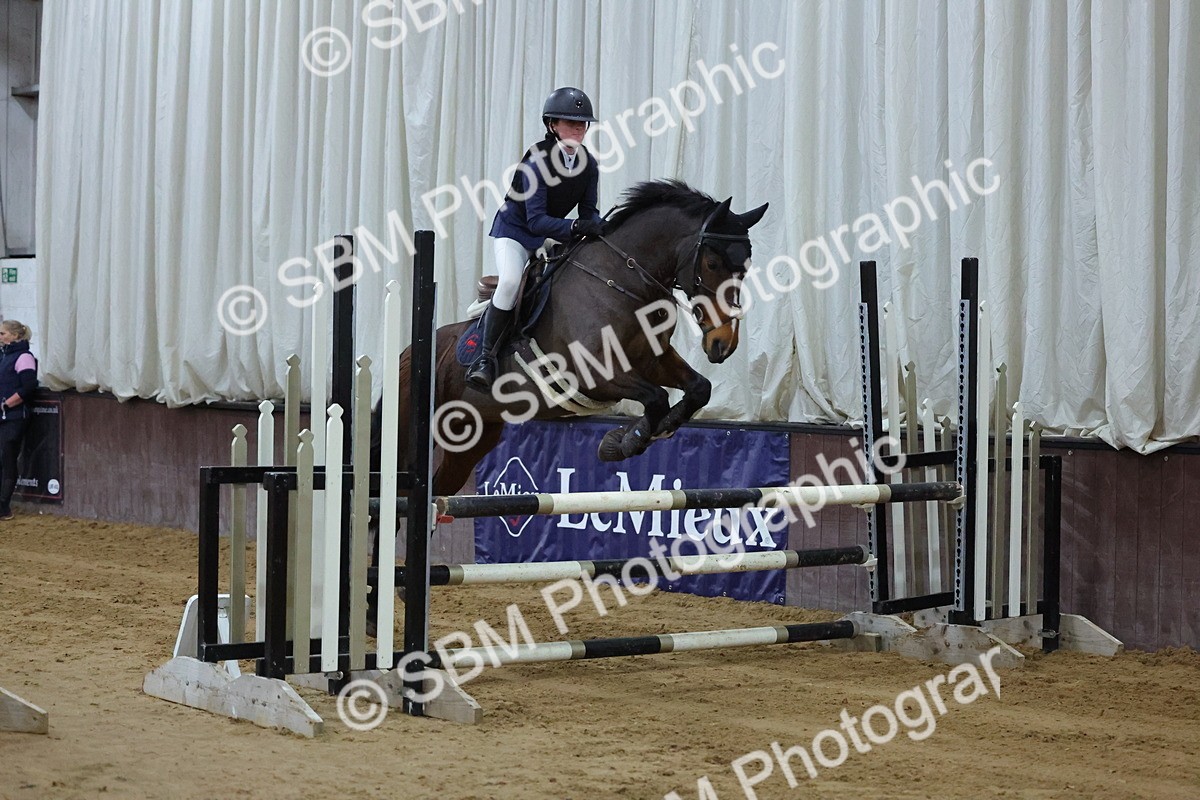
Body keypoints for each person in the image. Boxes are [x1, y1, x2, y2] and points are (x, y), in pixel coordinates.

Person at [466, 86, 606, 390]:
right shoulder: (536, 161)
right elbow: (535, 219)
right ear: (552, 125)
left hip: (549, 236)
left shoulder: (589, 165)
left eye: (582, 124)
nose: (578, 130)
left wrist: (602, 228)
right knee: (511, 282)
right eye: (570, 123)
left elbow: (589, 212)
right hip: (515, 233)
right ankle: (484, 359)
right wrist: (575, 228)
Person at [0, 320, 37, 520]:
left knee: (7, 460)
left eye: (3, 333)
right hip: (4, 415)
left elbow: (28, 387)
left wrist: (7, 404)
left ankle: (4, 507)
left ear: (15, 336)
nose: (0, 336)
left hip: (14, 417)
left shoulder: (24, 357)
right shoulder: (4, 356)